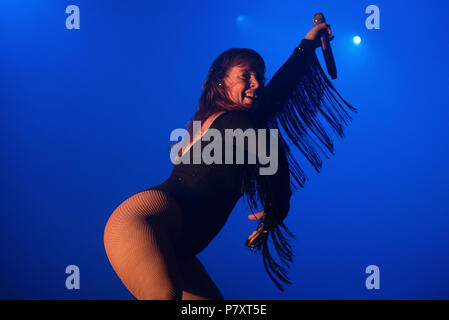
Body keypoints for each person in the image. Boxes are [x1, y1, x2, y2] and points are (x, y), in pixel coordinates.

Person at [103, 23, 356, 300]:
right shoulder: (231, 121)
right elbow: (271, 149)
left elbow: (279, 91)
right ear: (220, 81)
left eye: (260, 76)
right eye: (245, 75)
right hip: (147, 221)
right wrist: (278, 208)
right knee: (164, 297)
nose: (257, 83)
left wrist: (307, 45)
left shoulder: (236, 123)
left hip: (181, 248)